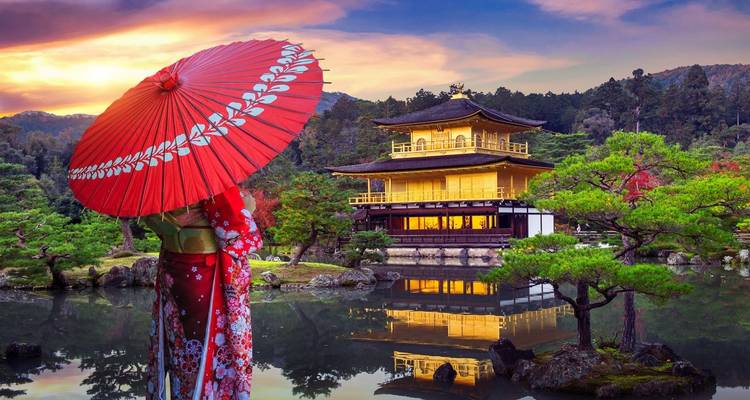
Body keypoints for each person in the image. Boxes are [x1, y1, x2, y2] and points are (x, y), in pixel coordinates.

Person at [144, 186, 261, 400]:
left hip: (173, 268)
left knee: (181, 344)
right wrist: (245, 202)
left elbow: (152, 220)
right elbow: (235, 228)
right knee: (201, 342)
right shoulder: (213, 182)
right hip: (203, 271)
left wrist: (173, 223)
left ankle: (184, 393)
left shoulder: (161, 181)